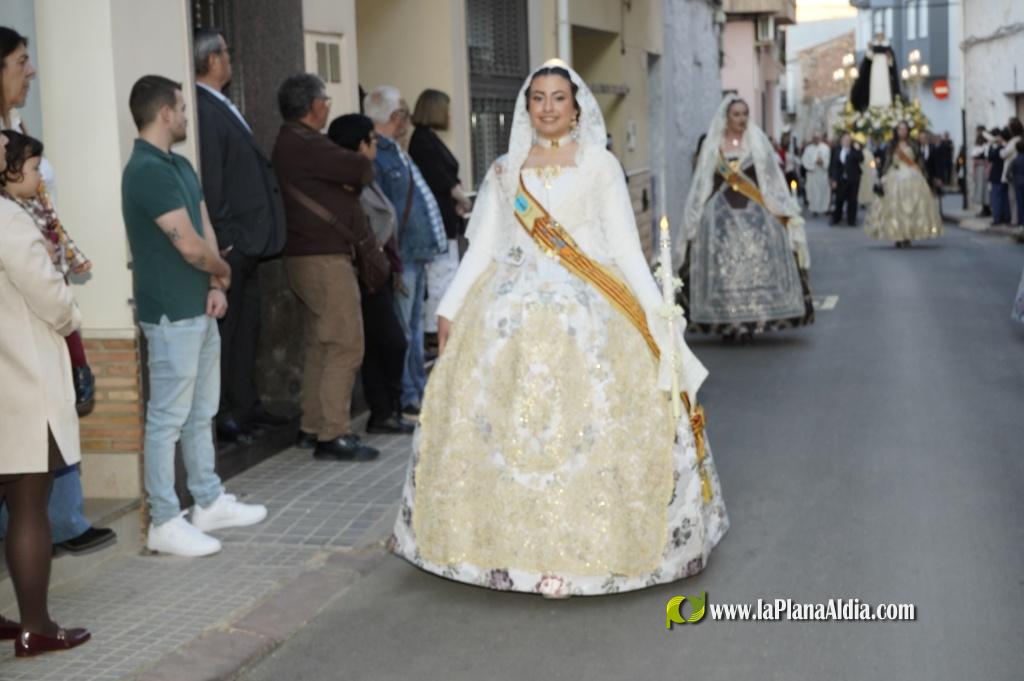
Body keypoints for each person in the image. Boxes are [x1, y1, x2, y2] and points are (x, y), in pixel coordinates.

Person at [389, 60, 727, 597]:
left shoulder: (600, 166)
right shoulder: (505, 170)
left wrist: (659, 315)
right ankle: (503, 550)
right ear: (526, 107)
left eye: (558, 98)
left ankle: (589, 548)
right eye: (538, 98)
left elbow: (622, 247)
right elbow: (483, 251)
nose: (548, 107)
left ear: (576, 107)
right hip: (507, 311)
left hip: (593, 309)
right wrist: (449, 307)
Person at [122, 75, 268, 557]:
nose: (187, 115)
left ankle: (206, 500)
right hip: (170, 314)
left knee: (200, 412)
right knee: (166, 419)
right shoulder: (145, 170)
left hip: (199, 306)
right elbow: (186, 244)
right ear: (165, 112)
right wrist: (223, 269)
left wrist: (214, 283)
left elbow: (201, 222)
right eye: (182, 108)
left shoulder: (179, 164)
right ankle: (164, 520)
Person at [0, 25, 114, 555]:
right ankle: (33, 603)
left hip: (35, 296)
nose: (32, 72)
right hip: (17, 310)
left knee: (39, 440)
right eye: (22, 62)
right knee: (24, 455)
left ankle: (60, 522)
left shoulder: (16, 127)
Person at [0, 129, 91, 655]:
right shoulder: (10, 220)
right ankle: (37, 626)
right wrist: (73, 310)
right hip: (22, 380)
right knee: (29, 503)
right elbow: (51, 300)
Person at [272, 74, 380, 461]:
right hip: (323, 259)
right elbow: (359, 169)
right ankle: (333, 433)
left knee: (321, 343)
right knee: (346, 343)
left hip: (304, 256)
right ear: (315, 106)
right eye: (326, 100)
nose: (328, 106)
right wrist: (364, 161)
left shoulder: (292, 142)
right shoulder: (305, 143)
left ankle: (312, 425)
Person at [193, 28, 289, 444]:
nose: (230, 60)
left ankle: (247, 406)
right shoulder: (202, 108)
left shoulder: (220, 104)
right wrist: (226, 239)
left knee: (248, 329)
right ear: (213, 60)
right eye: (226, 53)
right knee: (230, 334)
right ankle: (228, 414)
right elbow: (212, 179)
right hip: (234, 244)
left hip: (250, 242)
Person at [680, 94, 814, 341]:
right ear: (726, 118)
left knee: (753, 267)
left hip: (754, 215)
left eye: (744, 114)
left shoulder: (757, 142)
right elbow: (703, 182)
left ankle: (752, 319)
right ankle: (726, 322)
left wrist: (783, 211)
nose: (741, 119)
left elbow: (770, 180)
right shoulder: (714, 144)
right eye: (736, 114)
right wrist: (697, 215)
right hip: (720, 217)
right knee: (724, 272)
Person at [327, 113, 414, 435]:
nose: (376, 145)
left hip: (380, 271)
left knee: (383, 344)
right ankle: (384, 409)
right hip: (363, 273)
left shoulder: (367, 177)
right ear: (359, 144)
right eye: (372, 140)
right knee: (389, 343)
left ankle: (385, 412)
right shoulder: (348, 182)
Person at [364, 85, 447, 417]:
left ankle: (416, 390)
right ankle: (407, 395)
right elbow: (382, 212)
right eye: (403, 114)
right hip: (403, 256)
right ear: (395, 117)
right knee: (404, 332)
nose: (407, 121)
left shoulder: (396, 151)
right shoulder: (380, 156)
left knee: (412, 328)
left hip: (415, 253)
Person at [408, 89, 471, 340]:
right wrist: (462, 198)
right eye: (446, 109)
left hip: (447, 219)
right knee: (439, 279)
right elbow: (441, 178)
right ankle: (435, 331)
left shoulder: (429, 138)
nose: (449, 115)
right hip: (436, 226)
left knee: (447, 275)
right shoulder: (423, 141)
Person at [864, 121, 943, 247]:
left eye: (905, 129)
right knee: (895, 208)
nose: (902, 131)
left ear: (908, 130)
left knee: (912, 206)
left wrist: (925, 175)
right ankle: (897, 235)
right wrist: (882, 176)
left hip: (913, 177)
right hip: (894, 176)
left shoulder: (913, 143)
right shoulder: (891, 144)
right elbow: (887, 161)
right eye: (900, 129)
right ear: (896, 131)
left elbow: (919, 160)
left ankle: (908, 235)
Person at [850, 33, 902, 112]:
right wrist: (870, 49)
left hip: (884, 72)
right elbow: (868, 60)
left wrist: (889, 58)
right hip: (875, 71)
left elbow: (891, 64)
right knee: (875, 85)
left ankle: (887, 103)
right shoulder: (873, 47)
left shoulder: (887, 47)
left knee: (885, 86)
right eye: (878, 36)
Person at [829, 132, 863, 226]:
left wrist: (857, 149)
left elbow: (861, 159)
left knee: (852, 200)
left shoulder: (854, 150)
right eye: (844, 140)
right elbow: (833, 165)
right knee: (838, 200)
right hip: (840, 179)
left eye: (848, 140)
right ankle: (836, 218)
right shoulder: (837, 150)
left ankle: (851, 220)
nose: (846, 142)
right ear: (841, 141)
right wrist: (833, 179)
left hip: (853, 179)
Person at [801, 133, 830, 216]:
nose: (816, 139)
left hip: (822, 174)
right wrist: (812, 165)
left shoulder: (825, 148)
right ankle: (814, 209)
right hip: (812, 174)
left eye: (818, 138)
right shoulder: (808, 149)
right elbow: (805, 161)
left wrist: (822, 163)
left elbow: (827, 160)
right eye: (815, 138)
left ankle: (824, 208)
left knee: (823, 191)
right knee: (813, 192)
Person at [988, 129, 1010, 226]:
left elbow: (990, 156)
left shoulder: (1002, 148)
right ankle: (1005, 217)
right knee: (1004, 198)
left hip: (998, 176)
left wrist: (991, 145)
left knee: (997, 198)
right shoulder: (1006, 147)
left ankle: (997, 218)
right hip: (1003, 176)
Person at [971, 125, 991, 216]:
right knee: (980, 188)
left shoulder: (986, 145)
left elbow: (986, 158)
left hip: (983, 168)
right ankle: (984, 208)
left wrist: (979, 161)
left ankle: (987, 208)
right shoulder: (978, 144)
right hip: (979, 168)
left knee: (984, 189)